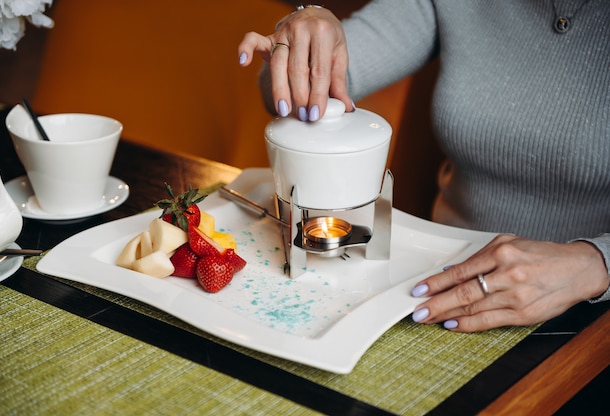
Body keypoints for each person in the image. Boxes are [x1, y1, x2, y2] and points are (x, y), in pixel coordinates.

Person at [237, 1, 610, 332]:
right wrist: (306, 36)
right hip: (442, 279)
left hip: (590, 314)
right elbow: (287, 95)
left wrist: (594, 263)